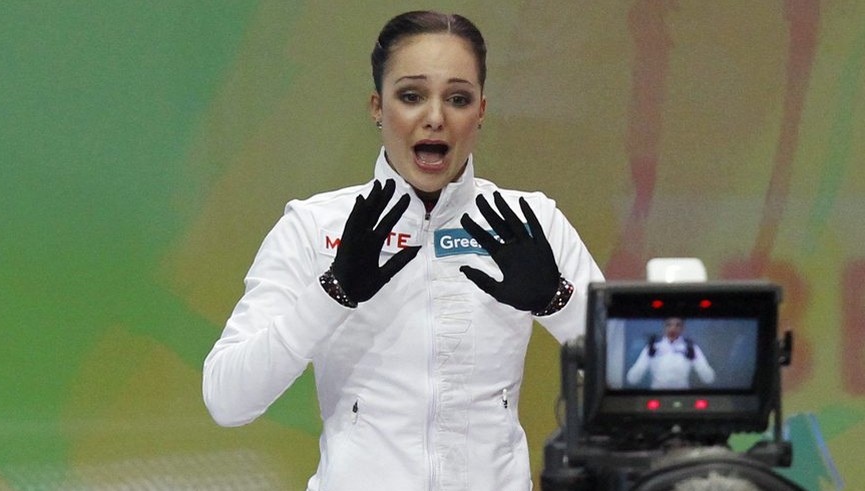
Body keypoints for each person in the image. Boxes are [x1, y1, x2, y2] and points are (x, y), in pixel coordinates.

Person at [202, 11, 603, 491]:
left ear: (481, 110)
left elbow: (642, 379)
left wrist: (558, 303)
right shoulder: (314, 227)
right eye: (411, 96)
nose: (435, 116)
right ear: (377, 106)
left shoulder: (532, 223)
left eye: (458, 98)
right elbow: (227, 400)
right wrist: (330, 295)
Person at [626, 317, 716, 389]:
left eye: (678, 325)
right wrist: (648, 357)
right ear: (664, 327)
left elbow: (709, 379)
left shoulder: (691, 347)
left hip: (685, 398)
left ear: (683, 328)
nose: (673, 329)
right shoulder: (652, 347)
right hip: (655, 399)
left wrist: (694, 358)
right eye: (669, 325)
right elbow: (632, 380)